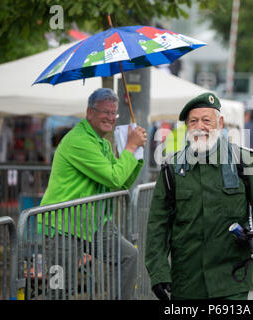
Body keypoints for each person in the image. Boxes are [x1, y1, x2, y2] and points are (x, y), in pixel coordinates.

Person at [145, 92, 253, 300]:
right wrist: (158, 272)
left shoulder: (243, 161)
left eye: (207, 120)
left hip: (232, 278)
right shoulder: (172, 168)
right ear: (187, 126)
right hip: (187, 281)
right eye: (193, 121)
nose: (200, 126)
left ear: (220, 123)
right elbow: (158, 225)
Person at [38, 88, 147, 299]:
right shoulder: (78, 141)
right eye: (104, 112)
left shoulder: (103, 144)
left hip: (93, 223)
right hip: (62, 225)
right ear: (90, 112)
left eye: (113, 113)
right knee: (60, 290)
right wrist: (130, 148)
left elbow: (120, 184)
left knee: (129, 256)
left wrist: (136, 153)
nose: (110, 118)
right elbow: (115, 178)